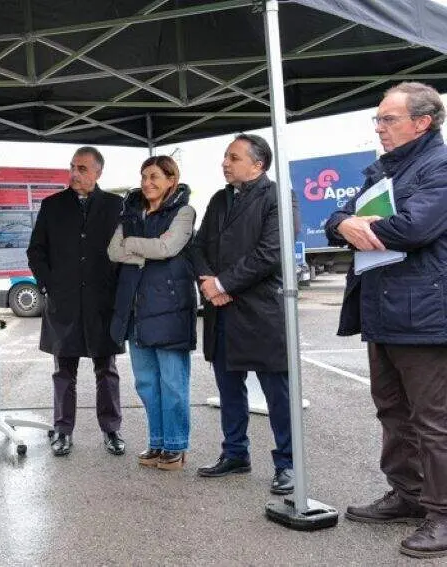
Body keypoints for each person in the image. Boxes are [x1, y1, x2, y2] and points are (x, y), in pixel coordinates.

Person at [325, 81, 447, 559]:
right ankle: (408, 494)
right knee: (393, 411)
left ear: (423, 122)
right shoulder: (383, 170)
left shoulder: (438, 167)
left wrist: (356, 225)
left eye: (388, 119)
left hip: (425, 315)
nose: (379, 127)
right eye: (377, 119)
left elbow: (414, 228)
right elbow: (338, 217)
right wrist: (343, 224)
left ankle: (442, 514)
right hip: (383, 311)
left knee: (432, 421)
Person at [189, 133, 295, 496]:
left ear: (258, 164)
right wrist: (207, 282)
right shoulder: (219, 199)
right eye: (225, 157)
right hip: (221, 312)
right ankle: (235, 453)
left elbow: (271, 253)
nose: (225, 163)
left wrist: (223, 284)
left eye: (233, 157)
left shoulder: (278, 197)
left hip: (261, 312)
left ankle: (288, 464)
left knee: (277, 395)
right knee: (229, 389)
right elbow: (197, 245)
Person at [27, 146, 126, 457]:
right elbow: (36, 252)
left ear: (98, 172)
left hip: (102, 304)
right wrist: (50, 285)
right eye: (72, 167)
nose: (74, 174)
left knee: (106, 371)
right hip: (65, 303)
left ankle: (111, 430)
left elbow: (126, 252)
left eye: (82, 168)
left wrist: (119, 291)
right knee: (63, 372)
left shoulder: (115, 206)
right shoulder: (52, 206)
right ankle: (62, 430)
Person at [108, 156, 196, 470]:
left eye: (155, 176)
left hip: (170, 309)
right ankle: (157, 441)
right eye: (144, 176)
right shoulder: (131, 211)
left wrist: (134, 245)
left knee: (173, 383)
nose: (147, 183)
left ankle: (175, 446)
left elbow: (167, 248)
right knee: (146, 383)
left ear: (172, 180)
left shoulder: (183, 212)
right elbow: (112, 252)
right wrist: (147, 248)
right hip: (136, 309)